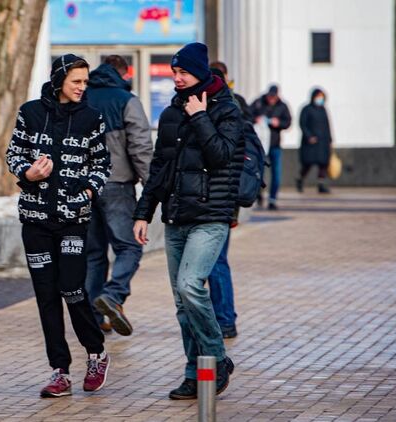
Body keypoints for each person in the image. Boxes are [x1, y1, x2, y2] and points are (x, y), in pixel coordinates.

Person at [133, 42, 240, 400]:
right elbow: (159, 168)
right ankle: (195, 373)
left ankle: (217, 358)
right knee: (182, 303)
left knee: (191, 285)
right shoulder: (170, 113)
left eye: (183, 72)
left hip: (211, 216)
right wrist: (143, 212)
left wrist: (200, 117)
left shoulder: (226, 109)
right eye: (174, 72)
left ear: (200, 73)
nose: (177, 78)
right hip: (176, 217)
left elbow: (222, 156)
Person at [5, 54, 111, 398]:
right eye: (76, 81)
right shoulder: (31, 112)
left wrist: (87, 191)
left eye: (85, 82)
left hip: (72, 221)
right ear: (58, 80)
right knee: (46, 295)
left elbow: (102, 164)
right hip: (35, 220)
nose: (82, 87)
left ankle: (96, 354)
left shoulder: (92, 118)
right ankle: (60, 371)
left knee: (72, 288)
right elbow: (13, 154)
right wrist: (27, 172)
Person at [85, 55, 152, 336]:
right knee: (130, 247)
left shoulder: (82, 96)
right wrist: (151, 185)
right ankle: (113, 296)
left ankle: (94, 319)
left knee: (93, 254)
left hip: (84, 187)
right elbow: (140, 146)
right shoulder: (126, 100)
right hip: (117, 184)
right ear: (124, 74)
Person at [207, 62, 245, 339]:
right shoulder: (236, 104)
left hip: (220, 200)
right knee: (216, 261)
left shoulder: (228, 108)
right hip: (226, 200)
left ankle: (224, 319)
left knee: (216, 261)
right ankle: (223, 318)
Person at [251, 84, 291, 210]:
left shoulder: (282, 106)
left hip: (275, 145)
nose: (271, 99)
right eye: (270, 97)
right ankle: (258, 195)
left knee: (276, 174)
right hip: (260, 145)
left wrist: (278, 123)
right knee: (258, 172)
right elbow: (246, 115)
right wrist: (255, 119)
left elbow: (288, 122)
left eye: (274, 97)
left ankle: (272, 199)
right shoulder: (258, 102)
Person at [297, 88, 333, 194]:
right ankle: (300, 180)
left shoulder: (323, 109)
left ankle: (321, 185)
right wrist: (309, 136)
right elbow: (302, 124)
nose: (320, 99)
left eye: (321, 97)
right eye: (318, 96)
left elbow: (327, 125)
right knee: (308, 164)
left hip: (323, 142)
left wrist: (330, 139)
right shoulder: (306, 109)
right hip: (310, 143)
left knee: (323, 164)